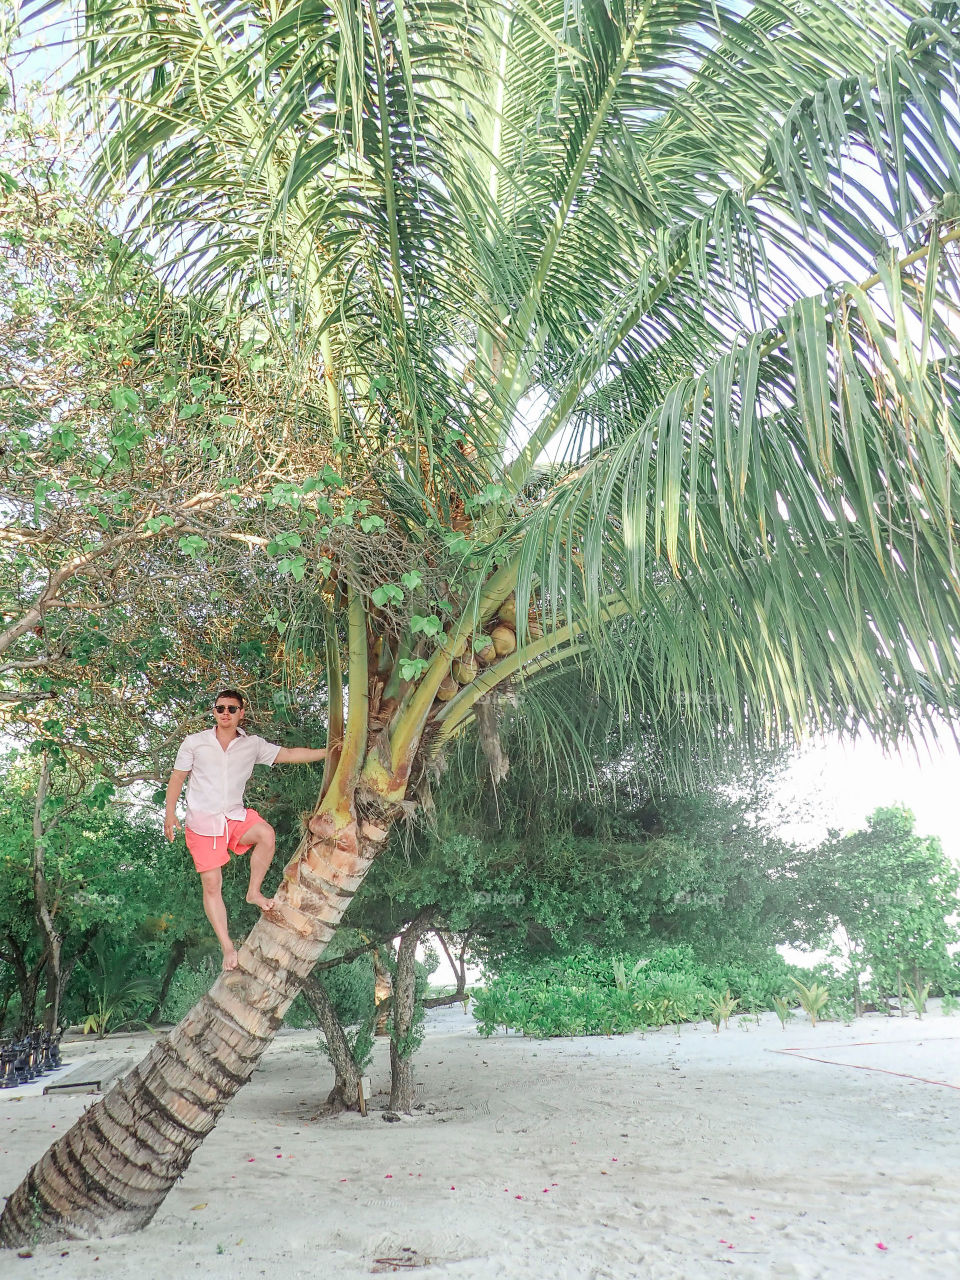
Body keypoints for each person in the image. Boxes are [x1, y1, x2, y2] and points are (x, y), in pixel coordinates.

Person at [164, 689, 326, 971]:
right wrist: (169, 814)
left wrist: (328, 752)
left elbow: (287, 754)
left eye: (231, 708)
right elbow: (177, 778)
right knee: (212, 884)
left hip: (235, 816)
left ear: (242, 712)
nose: (225, 713)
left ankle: (254, 892)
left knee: (266, 834)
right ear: (213, 712)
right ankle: (227, 946)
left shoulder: (252, 745)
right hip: (203, 823)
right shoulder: (194, 743)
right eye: (219, 708)